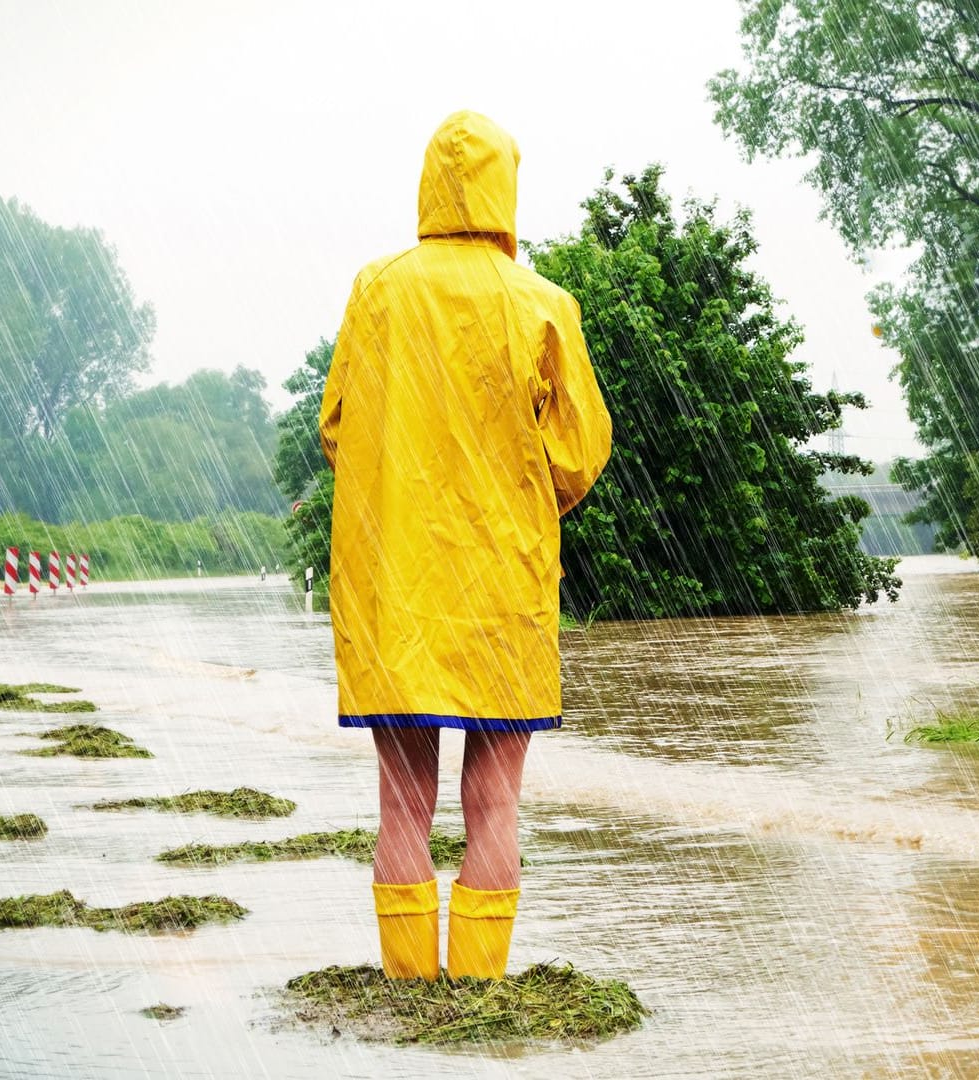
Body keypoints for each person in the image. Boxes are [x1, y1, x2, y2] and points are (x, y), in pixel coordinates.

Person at [319, 110, 611, 981]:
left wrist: (399, 475)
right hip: (502, 591)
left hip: (395, 588)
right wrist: (521, 490)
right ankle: (480, 995)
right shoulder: (543, 305)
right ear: (506, 193)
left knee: (402, 804)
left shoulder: (378, 290)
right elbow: (582, 450)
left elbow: (336, 428)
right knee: (495, 803)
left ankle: (409, 999)